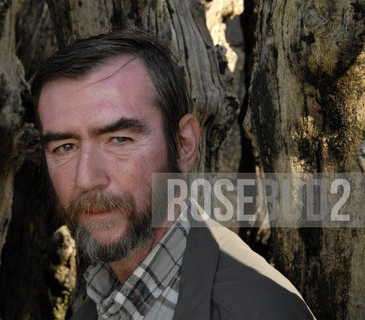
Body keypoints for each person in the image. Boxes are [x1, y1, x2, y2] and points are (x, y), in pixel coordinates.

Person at [32, 29, 315, 320]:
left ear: (183, 145)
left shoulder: (257, 311)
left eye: (119, 140)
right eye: (65, 147)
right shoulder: (99, 306)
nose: (87, 178)